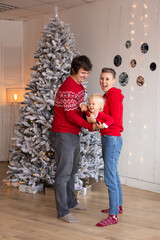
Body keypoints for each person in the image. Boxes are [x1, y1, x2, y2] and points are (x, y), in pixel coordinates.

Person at [49, 55, 97, 223]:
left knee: (72, 170)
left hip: (73, 134)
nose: (86, 76)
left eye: (88, 73)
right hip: (63, 134)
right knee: (63, 175)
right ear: (75, 69)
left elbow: (78, 109)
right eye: (83, 72)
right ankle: (63, 212)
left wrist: (88, 112)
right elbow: (70, 115)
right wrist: (89, 126)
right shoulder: (68, 87)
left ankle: (71, 202)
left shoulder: (79, 87)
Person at [96, 68, 124, 227]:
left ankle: (113, 216)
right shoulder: (106, 96)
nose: (103, 82)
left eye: (107, 79)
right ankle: (117, 207)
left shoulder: (113, 95)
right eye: (101, 79)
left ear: (113, 80)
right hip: (109, 137)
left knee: (109, 177)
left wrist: (97, 115)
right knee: (114, 173)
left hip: (112, 138)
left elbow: (114, 119)